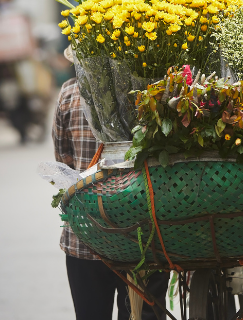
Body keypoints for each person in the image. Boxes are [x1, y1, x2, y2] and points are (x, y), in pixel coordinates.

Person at [53, 63, 170, 320]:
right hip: (143, 236)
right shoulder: (155, 91)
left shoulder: (70, 92)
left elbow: (63, 162)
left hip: (86, 236)